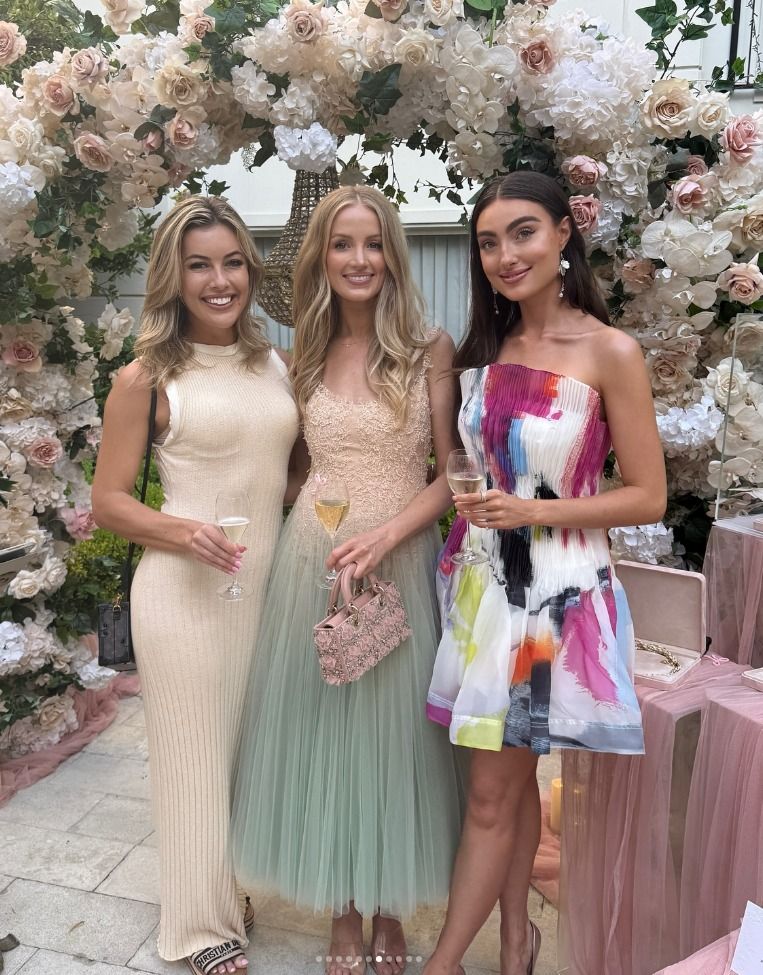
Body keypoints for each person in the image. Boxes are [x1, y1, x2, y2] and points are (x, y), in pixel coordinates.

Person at [422, 171, 667, 975]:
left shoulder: (609, 351)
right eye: (488, 242)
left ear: (564, 233)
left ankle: (443, 963)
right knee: (511, 774)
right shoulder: (485, 350)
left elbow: (648, 493)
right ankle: (515, 943)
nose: (505, 254)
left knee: (490, 793)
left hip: (552, 606)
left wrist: (533, 509)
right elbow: (463, 464)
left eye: (522, 232)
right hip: (483, 593)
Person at [231, 186, 467, 975]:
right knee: (327, 738)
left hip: (398, 560)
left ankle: (390, 908)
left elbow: (451, 472)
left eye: (372, 243)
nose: (358, 259)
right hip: (315, 564)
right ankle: (340, 907)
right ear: (321, 257)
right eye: (342, 244)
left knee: (398, 742)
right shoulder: (300, 354)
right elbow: (295, 470)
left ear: (391, 254)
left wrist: (387, 534)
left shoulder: (429, 349)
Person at [92, 196, 300, 975]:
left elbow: (289, 475)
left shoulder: (275, 363)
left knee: (242, 754)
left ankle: (224, 885)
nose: (220, 281)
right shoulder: (145, 377)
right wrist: (183, 530)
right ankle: (197, 927)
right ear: (173, 278)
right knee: (193, 758)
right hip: (182, 596)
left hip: (263, 591)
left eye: (233, 262)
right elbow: (108, 500)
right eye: (199, 265)